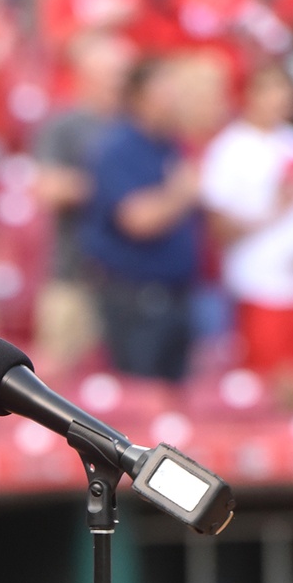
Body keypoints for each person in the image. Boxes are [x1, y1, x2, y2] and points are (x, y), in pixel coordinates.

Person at [200, 61, 293, 407]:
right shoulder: (230, 148)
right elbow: (220, 228)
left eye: (285, 90)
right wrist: (273, 208)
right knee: (263, 389)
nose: (280, 98)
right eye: (270, 89)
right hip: (257, 282)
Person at [81, 54, 202, 383]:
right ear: (138, 98)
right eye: (164, 93)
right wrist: (180, 194)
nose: (173, 102)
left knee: (176, 402)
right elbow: (137, 219)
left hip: (177, 294)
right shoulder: (118, 147)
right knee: (140, 401)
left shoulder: (171, 144)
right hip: (136, 298)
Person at [31, 30, 135, 371]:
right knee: (60, 380)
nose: (121, 81)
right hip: (74, 276)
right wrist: (112, 188)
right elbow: (48, 187)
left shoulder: (136, 124)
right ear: (86, 75)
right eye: (113, 72)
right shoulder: (65, 125)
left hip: (132, 281)